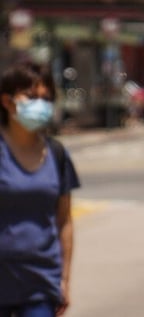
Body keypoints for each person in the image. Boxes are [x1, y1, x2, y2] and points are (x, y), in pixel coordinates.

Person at [0, 64, 81, 317]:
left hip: (40, 286)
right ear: (7, 101)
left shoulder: (56, 154)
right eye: (32, 97)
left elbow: (64, 220)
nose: (40, 105)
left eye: (46, 99)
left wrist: (64, 280)